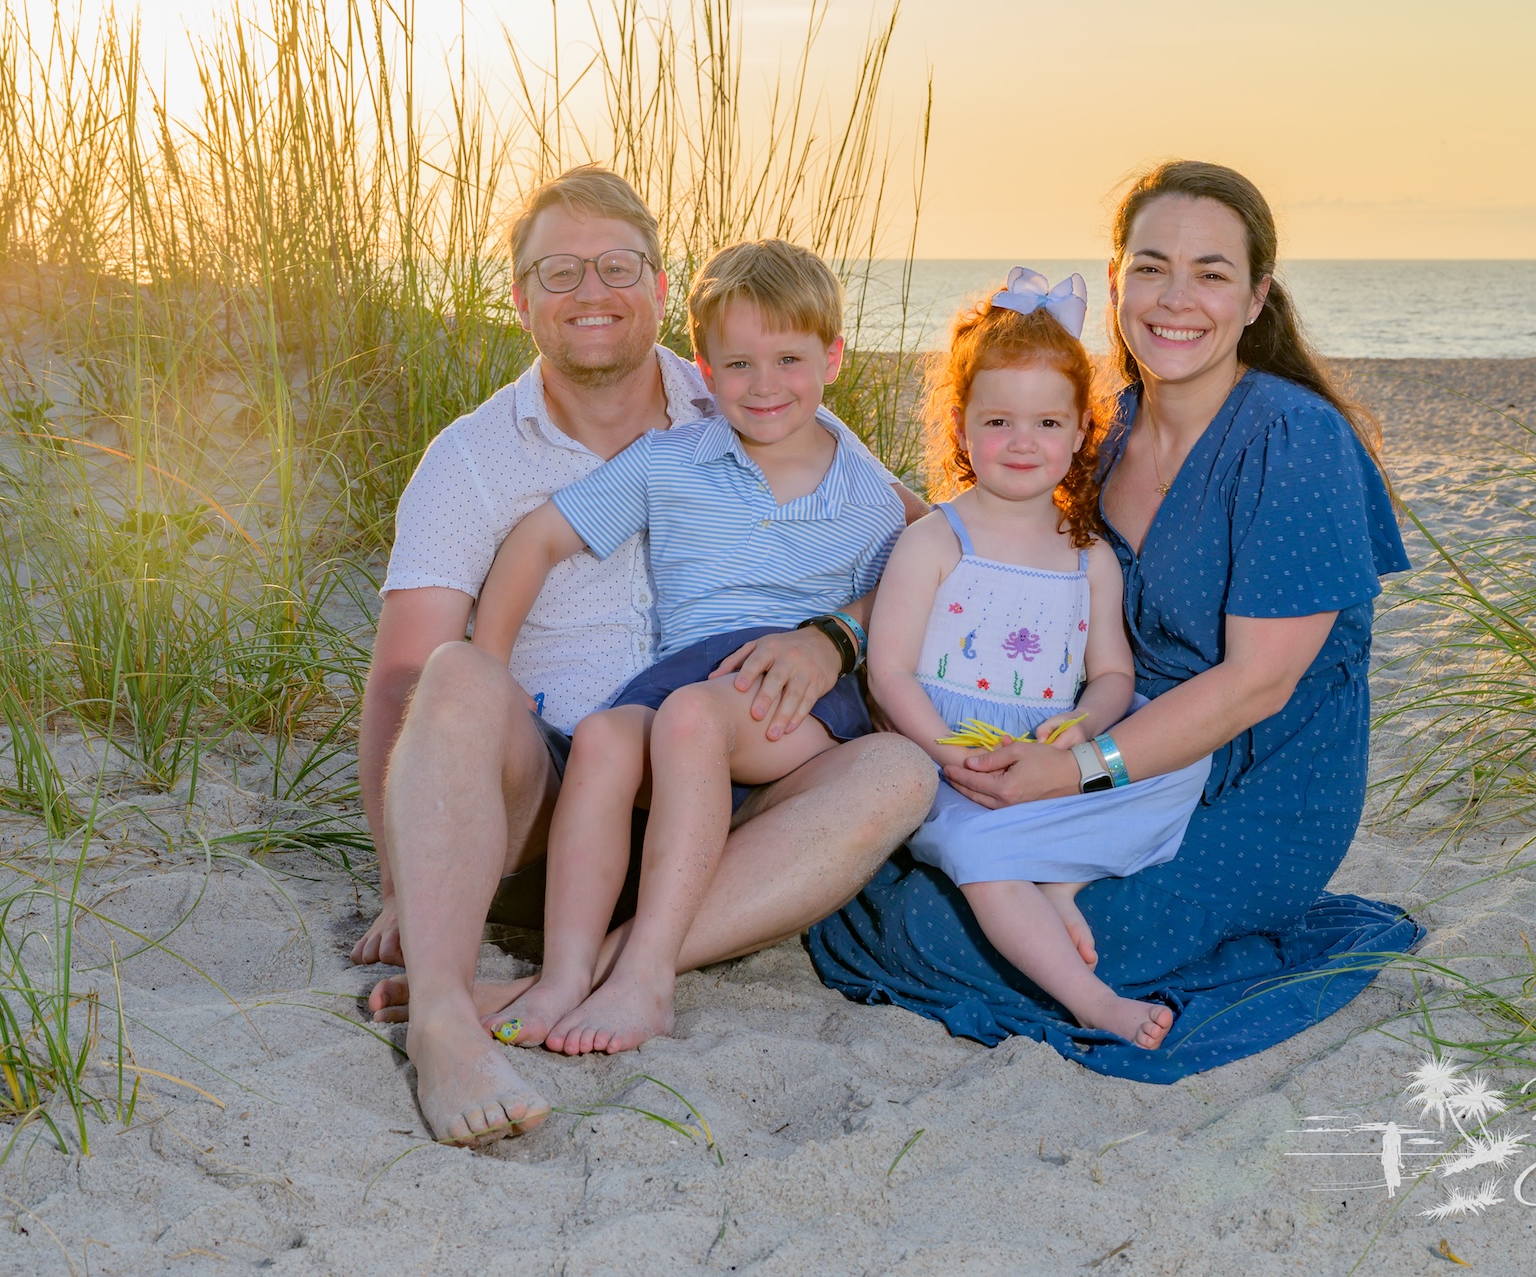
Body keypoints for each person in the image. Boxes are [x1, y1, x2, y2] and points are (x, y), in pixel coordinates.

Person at [808, 161, 1424, 1083]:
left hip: (1250, 779)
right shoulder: (1107, 430)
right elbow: (991, 554)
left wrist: (1075, 771)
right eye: (1151, 266)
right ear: (1114, 282)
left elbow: (1259, 682)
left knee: (941, 935)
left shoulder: (1295, 440)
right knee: (903, 876)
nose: (1177, 299)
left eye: (1212, 273)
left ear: (1257, 297)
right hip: (1095, 740)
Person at [358, 167, 934, 1147]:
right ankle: (450, 1020)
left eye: (616, 266)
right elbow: (405, 677)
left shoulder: (755, 388)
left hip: (745, 811)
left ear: (660, 287)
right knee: (459, 672)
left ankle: (592, 975)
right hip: (551, 809)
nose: (591, 292)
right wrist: (399, 873)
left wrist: (830, 636)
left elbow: (928, 547)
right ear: (520, 298)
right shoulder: (472, 456)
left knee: (899, 770)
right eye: (559, 271)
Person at [467, 239, 903, 1057]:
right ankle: (564, 973)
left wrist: (839, 634)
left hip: (794, 694)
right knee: (602, 734)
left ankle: (646, 978)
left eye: (789, 359)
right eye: (738, 364)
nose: (765, 385)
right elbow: (535, 541)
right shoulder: (671, 462)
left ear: (835, 357)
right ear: (701, 368)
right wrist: (490, 673)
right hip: (685, 679)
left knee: (693, 719)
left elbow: (929, 566)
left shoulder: (869, 493)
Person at [864, 268, 1210, 1050]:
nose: (1024, 443)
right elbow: (888, 671)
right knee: (979, 848)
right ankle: (1091, 999)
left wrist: (1079, 733)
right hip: (959, 768)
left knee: (1185, 753)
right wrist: (950, 754)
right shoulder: (935, 540)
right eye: (999, 422)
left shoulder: (1087, 554)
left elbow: (1114, 673)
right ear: (960, 428)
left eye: (1049, 424)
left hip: (1050, 760)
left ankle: (1061, 878)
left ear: (1082, 431)